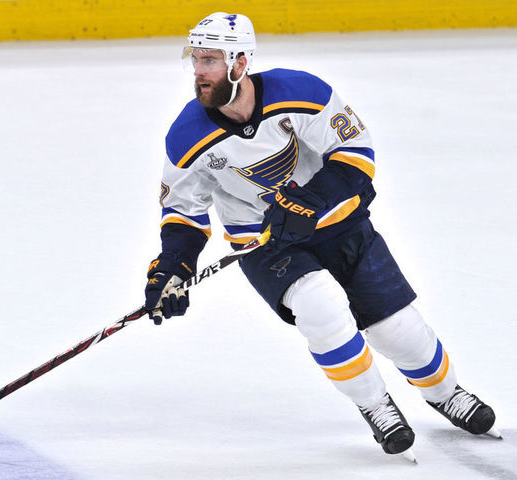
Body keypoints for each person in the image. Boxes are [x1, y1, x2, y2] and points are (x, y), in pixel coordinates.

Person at [143, 12, 499, 458]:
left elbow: (356, 152)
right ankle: (376, 405)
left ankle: (445, 393)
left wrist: (309, 202)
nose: (198, 71)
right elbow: (183, 209)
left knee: (398, 331)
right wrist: (174, 264)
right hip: (264, 241)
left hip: (337, 223)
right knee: (320, 307)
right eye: (195, 59)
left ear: (239, 64)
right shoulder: (187, 135)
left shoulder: (301, 92)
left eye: (210, 60)